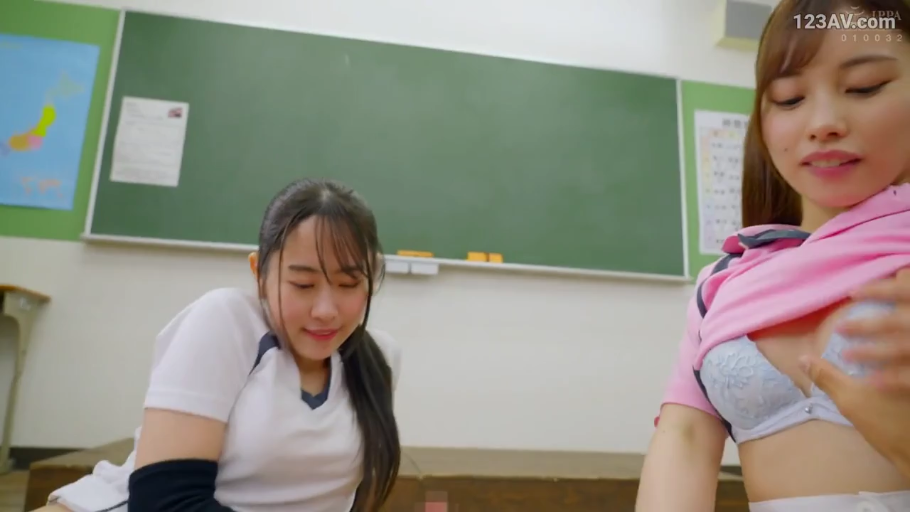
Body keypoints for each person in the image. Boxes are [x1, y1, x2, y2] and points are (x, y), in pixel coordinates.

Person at [637, 1, 910, 511]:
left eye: (864, 87)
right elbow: (685, 438)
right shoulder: (723, 282)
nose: (823, 123)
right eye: (789, 98)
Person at [36, 178, 403, 511]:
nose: (325, 311)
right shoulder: (226, 321)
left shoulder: (379, 360)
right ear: (259, 273)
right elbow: (164, 503)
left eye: (348, 284)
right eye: (303, 285)